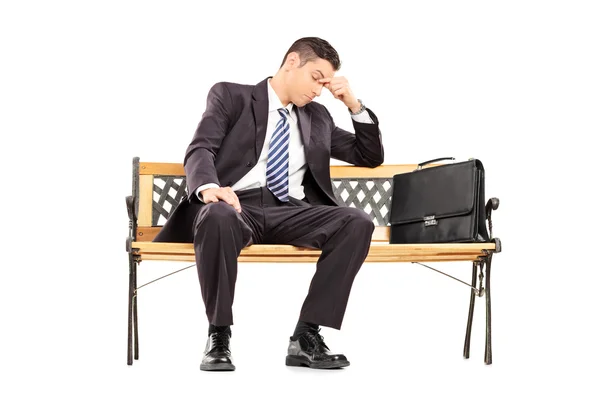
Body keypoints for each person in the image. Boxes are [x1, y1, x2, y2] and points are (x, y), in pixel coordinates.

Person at [153, 37, 384, 371]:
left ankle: (306, 337)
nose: (319, 90)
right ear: (292, 62)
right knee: (217, 216)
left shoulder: (317, 117)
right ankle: (219, 334)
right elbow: (200, 148)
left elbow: (370, 156)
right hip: (235, 206)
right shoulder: (231, 96)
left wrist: (353, 104)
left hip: (289, 211)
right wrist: (208, 188)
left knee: (357, 221)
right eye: (316, 78)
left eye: (326, 82)